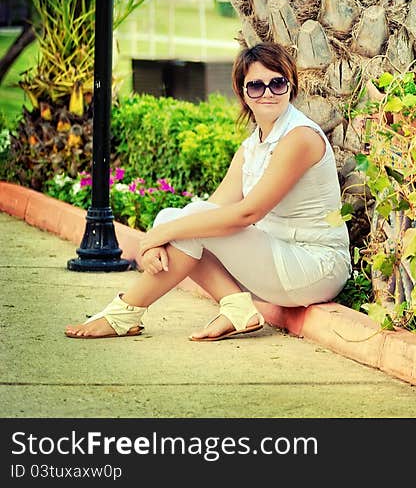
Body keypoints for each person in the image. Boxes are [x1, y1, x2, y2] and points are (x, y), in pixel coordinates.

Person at [65, 42, 352, 341]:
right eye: (256, 86)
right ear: (242, 94)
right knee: (174, 215)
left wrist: (157, 237)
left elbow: (247, 213)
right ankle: (236, 308)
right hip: (277, 262)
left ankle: (123, 313)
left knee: (187, 222)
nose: (267, 92)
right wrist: (160, 234)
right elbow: (213, 208)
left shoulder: (300, 137)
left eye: (277, 83)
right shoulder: (252, 146)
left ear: (290, 87)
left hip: (315, 268)